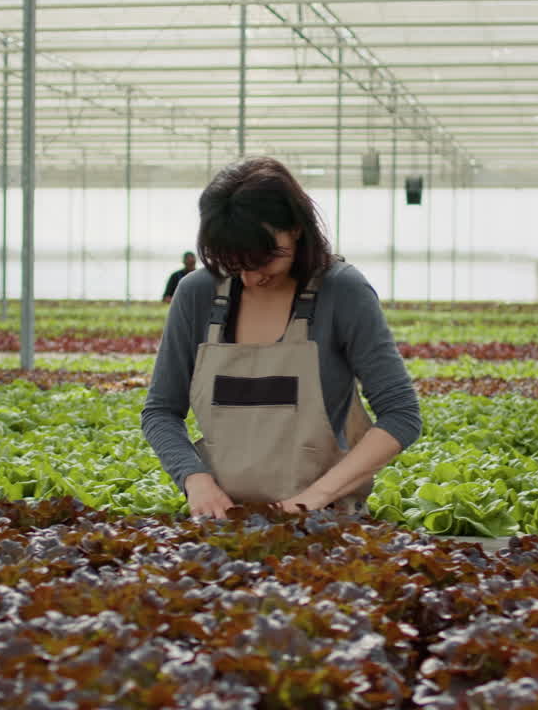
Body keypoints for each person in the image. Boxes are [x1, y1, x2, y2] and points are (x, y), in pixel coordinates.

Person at [142, 157, 422, 519]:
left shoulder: (341, 291)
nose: (251, 276)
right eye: (236, 261)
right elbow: (161, 411)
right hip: (223, 519)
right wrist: (194, 479)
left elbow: (401, 415)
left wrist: (314, 497)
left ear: (296, 228)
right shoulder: (197, 294)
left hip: (323, 520)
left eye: (264, 259)